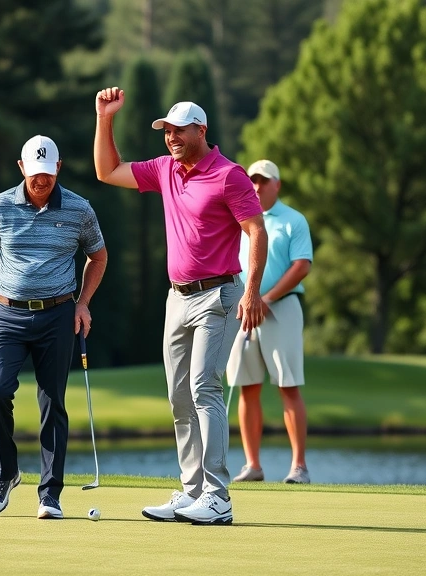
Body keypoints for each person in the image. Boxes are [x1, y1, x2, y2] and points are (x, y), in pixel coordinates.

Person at [94, 88, 268, 525]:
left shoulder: (230, 175)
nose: (170, 137)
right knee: (178, 397)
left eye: (178, 130)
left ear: (201, 130)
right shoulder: (165, 170)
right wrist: (105, 119)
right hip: (177, 297)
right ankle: (193, 493)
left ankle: (218, 495)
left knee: (204, 388)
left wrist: (251, 292)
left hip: (219, 295)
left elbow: (256, 231)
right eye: (166, 131)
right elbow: (108, 170)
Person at [0, 135, 108, 520]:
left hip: (57, 316)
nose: (41, 181)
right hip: (7, 315)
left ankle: (50, 494)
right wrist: (12, 288)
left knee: (53, 402)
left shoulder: (79, 209)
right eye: (34, 174)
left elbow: (98, 257)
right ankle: (7, 473)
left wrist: (82, 303)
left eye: (47, 174)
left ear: (58, 167)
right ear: (22, 168)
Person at [227, 159, 313, 484]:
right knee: (247, 386)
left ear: (278, 185)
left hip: (282, 309)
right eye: (253, 181)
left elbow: (302, 266)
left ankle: (299, 467)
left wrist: (267, 298)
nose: (257, 186)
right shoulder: (238, 220)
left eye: (265, 181)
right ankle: (253, 465)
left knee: (287, 386)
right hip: (242, 310)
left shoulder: (293, 221)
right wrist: (246, 300)